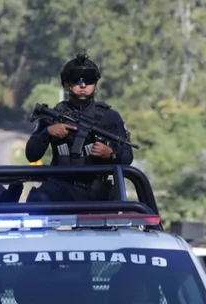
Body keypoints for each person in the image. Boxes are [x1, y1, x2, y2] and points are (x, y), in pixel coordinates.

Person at [24, 52, 134, 202]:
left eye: (89, 81)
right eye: (77, 80)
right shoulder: (53, 116)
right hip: (59, 189)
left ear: (95, 84)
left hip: (96, 194)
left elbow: (127, 157)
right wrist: (47, 133)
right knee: (37, 200)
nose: (83, 85)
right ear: (66, 84)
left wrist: (110, 154)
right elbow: (31, 155)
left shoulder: (110, 117)